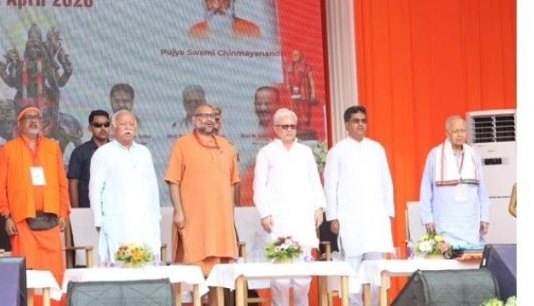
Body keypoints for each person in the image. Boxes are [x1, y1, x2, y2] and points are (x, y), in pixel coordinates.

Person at [0, 106, 70, 306]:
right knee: (29, 270)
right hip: (22, 221)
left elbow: (63, 183)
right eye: (28, 118)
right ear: (19, 124)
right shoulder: (7, 149)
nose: (34, 121)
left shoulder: (53, 147)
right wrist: (6, 215)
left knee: (54, 270)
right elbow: (0, 188)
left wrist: (63, 212)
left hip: (51, 219)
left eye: (37, 117)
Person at [254, 108, 326, 306]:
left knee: (303, 276)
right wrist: (265, 213)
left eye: (292, 127)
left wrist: (319, 207)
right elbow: (258, 185)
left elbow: (315, 182)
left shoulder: (305, 152)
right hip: (278, 220)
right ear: (276, 128)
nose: (289, 130)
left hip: (303, 219)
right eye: (284, 126)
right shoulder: (266, 152)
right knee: (281, 277)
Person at [323, 105, 394, 306]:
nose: (360, 124)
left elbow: (386, 182)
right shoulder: (337, 151)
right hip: (350, 219)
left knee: (375, 270)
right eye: (356, 121)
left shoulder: (376, 148)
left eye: (363, 120)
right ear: (347, 124)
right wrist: (333, 217)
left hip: (375, 219)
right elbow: (330, 186)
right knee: (352, 272)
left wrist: (388, 212)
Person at [165, 104, 240, 276]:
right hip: (194, 219)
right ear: (194, 119)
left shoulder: (226, 146)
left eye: (211, 116)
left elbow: (232, 183)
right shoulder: (182, 144)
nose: (208, 119)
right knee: (195, 271)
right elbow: (173, 180)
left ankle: (216, 303)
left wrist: (230, 216)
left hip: (221, 221)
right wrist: (178, 212)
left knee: (219, 274)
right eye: (203, 115)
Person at [89, 110, 162, 265]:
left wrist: (156, 215)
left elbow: (153, 187)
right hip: (118, 221)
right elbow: (95, 189)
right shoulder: (103, 153)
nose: (128, 127)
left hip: (144, 220)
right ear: (113, 128)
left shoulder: (144, 152)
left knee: (146, 264)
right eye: (123, 124)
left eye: (131, 124)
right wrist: (98, 220)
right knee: (120, 266)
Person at [418, 115, 490, 247]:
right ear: (447, 133)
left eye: (462, 131)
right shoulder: (435, 154)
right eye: (455, 131)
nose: (460, 135)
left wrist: (485, 217)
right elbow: (425, 189)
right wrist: (427, 218)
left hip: (470, 221)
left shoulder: (474, 155)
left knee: (471, 261)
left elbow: (482, 191)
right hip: (445, 220)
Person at [187, 0, 262, 39]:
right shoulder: (195, 32)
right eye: (210, 0)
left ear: (232, 1)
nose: (217, 6)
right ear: (204, 3)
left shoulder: (251, 30)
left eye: (222, 0)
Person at [67, 110, 111, 208]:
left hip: (114, 211)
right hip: (88, 210)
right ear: (90, 128)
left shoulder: (118, 152)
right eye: (98, 125)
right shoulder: (80, 152)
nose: (103, 128)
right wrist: (76, 212)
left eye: (106, 124)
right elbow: (73, 183)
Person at [285, 50, 318, 140]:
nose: (295, 56)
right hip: (294, 93)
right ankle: (297, 127)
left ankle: (305, 128)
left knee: (305, 110)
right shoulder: (290, 66)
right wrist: (288, 84)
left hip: (304, 93)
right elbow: (288, 78)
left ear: (301, 55)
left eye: (297, 55)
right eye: (294, 55)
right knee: (295, 110)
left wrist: (313, 93)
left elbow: (311, 79)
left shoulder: (306, 67)